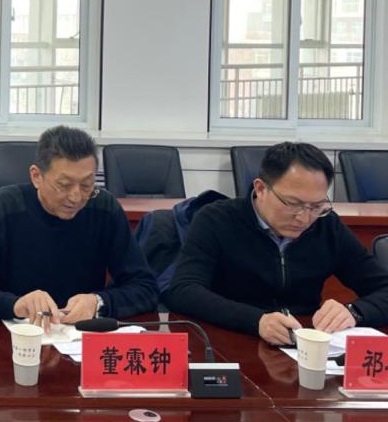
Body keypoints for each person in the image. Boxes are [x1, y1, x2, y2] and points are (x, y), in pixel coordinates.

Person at [165, 142, 388, 345]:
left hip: (302, 344)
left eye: (316, 206)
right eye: (293, 204)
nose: (304, 218)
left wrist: (355, 311)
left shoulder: (327, 226)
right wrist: (256, 320)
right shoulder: (217, 219)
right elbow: (183, 290)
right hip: (232, 340)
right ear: (261, 188)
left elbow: (383, 288)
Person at [0, 126, 158, 325]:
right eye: (64, 185)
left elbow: (145, 287)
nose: (76, 197)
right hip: (13, 336)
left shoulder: (104, 208)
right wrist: (14, 305)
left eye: (86, 185)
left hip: (78, 337)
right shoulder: (2, 208)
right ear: (36, 176)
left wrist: (98, 302)